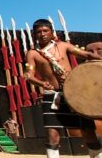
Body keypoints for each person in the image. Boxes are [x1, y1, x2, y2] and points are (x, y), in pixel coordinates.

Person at [24, 19, 102, 158]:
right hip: (52, 96)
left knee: (88, 132)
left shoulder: (64, 46)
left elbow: (86, 55)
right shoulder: (32, 54)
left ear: (51, 32)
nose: (42, 34)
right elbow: (28, 75)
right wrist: (41, 83)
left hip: (75, 94)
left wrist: (97, 57)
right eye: (38, 32)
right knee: (52, 135)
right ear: (34, 34)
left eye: (45, 31)